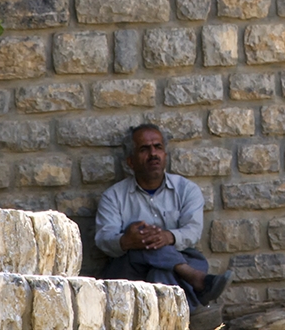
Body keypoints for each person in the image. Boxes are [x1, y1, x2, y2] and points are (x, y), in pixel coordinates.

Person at [94, 124, 233, 309]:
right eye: (144, 149)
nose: (153, 154)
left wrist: (168, 237)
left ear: (165, 155)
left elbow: (192, 231)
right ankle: (195, 281)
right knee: (142, 235)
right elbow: (103, 238)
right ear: (130, 161)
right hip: (130, 269)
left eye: (158, 147)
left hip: (183, 256)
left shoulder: (186, 190)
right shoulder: (113, 196)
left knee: (159, 275)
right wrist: (127, 241)